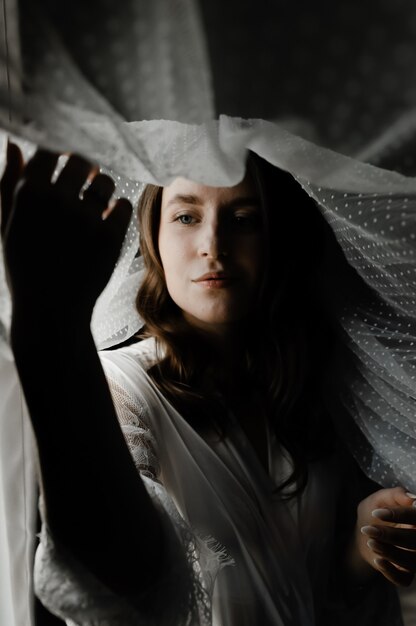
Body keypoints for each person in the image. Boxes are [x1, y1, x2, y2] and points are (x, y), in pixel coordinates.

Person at [1, 140, 416, 626]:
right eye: (186, 217)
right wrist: (51, 330)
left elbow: (307, 593)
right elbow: (118, 579)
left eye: (243, 219)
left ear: (276, 238)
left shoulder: (314, 390)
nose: (213, 245)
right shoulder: (123, 386)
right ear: (152, 234)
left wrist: (361, 544)